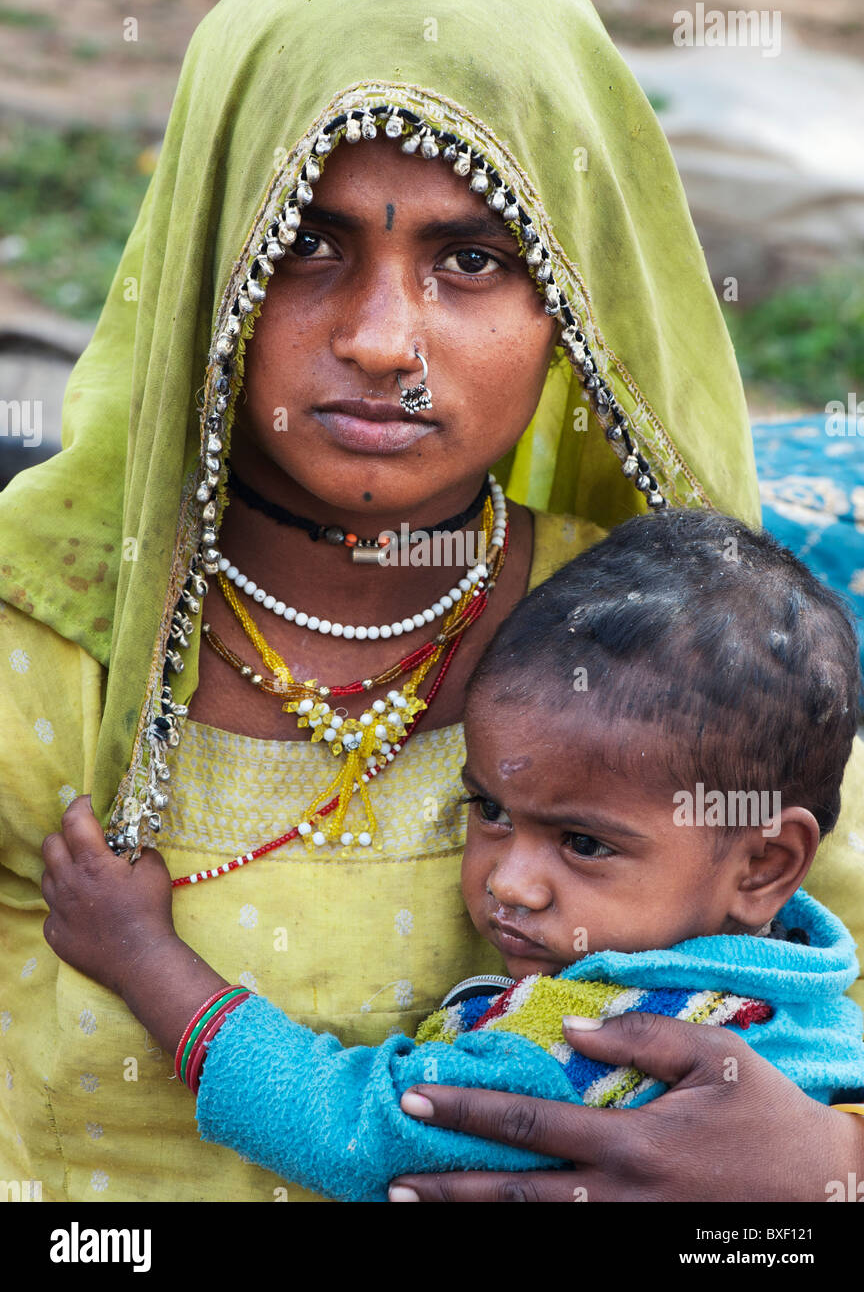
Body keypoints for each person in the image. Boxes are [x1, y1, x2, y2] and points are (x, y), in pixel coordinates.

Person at [0, 0, 862, 1203]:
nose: (383, 338)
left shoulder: (670, 647)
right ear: (208, 264)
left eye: (471, 258)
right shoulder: (46, 650)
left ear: (568, 299)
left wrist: (831, 1168)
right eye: (306, 241)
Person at [39, 509, 864, 1203]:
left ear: (764, 863)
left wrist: (140, 954)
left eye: (584, 844)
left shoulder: (606, 1042)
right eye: (491, 811)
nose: (508, 881)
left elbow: (351, 1131)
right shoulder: (804, 990)